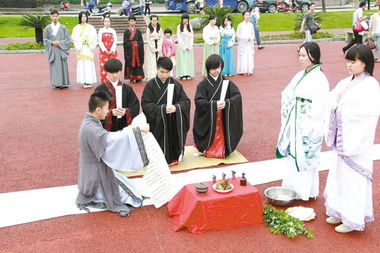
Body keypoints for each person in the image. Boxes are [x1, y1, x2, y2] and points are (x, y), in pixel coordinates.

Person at [324, 45, 380, 233]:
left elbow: (367, 113)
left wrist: (340, 110)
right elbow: (332, 98)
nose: (349, 65)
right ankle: (338, 210)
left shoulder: (371, 86)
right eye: (347, 61)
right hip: (343, 140)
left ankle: (352, 218)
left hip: (356, 143)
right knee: (338, 177)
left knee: (352, 180)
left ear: (365, 63)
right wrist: (334, 107)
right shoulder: (346, 82)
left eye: (353, 62)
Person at [76, 91, 150, 217]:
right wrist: (136, 130)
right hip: (95, 175)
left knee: (131, 188)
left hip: (93, 169)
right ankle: (96, 195)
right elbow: (111, 139)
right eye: (106, 108)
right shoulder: (91, 128)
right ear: (98, 109)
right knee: (131, 198)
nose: (108, 111)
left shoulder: (90, 121)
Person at [276, 42, 330, 201]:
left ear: (313, 56)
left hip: (307, 124)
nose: (300, 58)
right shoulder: (300, 75)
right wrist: (292, 106)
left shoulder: (320, 78)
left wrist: (303, 113)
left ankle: (304, 191)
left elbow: (321, 105)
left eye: (303, 55)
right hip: (296, 121)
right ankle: (292, 188)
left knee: (304, 156)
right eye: (299, 55)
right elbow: (286, 93)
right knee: (294, 154)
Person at [141, 57, 191, 165]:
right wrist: (162, 109)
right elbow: (146, 104)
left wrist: (176, 107)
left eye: (167, 72)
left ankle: (174, 156)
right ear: (157, 69)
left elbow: (185, 102)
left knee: (173, 142)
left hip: (173, 121)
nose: (164, 75)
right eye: (162, 72)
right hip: (157, 123)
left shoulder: (176, 85)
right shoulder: (150, 85)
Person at [193, 54, 243, 158]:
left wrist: (227, 103)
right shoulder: (203, 84)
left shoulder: (226, 82)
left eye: (219, 68)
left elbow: (237, 96)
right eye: (213, 68)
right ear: (208, 69)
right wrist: (214, 104)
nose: (216, 70)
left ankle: (223, 149)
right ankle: (208, 148)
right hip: (210, 117)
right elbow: (199, 101)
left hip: (223, 117)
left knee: (222, 135)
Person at [95, 58, 140, 131]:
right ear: (106, 72)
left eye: (117, 72)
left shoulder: (127, 89)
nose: (115, 75)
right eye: (112, 73)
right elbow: (96, 109)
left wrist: (126, 111)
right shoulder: (100, 90)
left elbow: (135, 106)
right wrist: (110, 112)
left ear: (120, 71)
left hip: (124, 124)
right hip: (106, 127)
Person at [43, 9, 70, 89]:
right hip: (53, 51)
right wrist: (51, 43)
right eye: (53, 16)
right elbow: (45, 39)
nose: (55, 18)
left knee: (62, 66)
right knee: (55, 66)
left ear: (59, 16)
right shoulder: (48, 28)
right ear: (50, 17)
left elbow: (67, 39)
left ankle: (64, 82)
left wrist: (60, 43)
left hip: (61, 50)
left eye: (56, 16)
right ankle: (56, 83)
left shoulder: (63, 28)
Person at [72, 11, 97, 88]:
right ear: (80, 18)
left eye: (85, 16)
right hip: (81, 48)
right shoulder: (76, 28)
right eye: (82, 17)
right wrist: (82, 40)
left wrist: (88, 40)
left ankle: (89, 81)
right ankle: (83, 81)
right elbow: (74, 38)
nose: (84, 18)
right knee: (82, 64)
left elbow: (94, 37)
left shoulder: (91, 27)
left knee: (88, 64)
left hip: (88, 48)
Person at [123, 14, 145, 83]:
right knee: (131, 62)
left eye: (133, 21)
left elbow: (141, 42)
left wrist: (137, 45)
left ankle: (138, 77)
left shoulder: (138, 32)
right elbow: (125, 42)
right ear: (128, 22)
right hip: (130, 51)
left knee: (138, 63)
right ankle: (131, 77)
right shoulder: (126, 32)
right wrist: (132, 45)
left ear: (135, 22)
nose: (132, 23)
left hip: (137, 51)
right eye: (131, 21)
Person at [98, 16, 117, 83]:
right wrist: (105, 50)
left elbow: (115, 41)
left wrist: (111, 50)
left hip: (112, 52)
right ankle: (104, 80)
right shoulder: (101, 30)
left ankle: (112, 80)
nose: (107, 23)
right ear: (103, 22)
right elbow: (100, 41)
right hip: (104, 52)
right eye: (105, 21)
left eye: (108, 21)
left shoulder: (113, 31)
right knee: (104, 66)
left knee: (112, 66)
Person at [176, 13, 195, 80]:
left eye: (187, 19)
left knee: (188, 60)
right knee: (182, 60)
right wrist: (184, 46)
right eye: (184, 19)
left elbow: (192, 36)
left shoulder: (190, 26)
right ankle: (182, 74)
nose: (185, 20)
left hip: (189, 46)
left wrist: (189, 45)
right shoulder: (179, 27)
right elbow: (179, 37)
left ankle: (188, 74)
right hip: (181, 47)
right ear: (182, 19)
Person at [236, 10, 255, 75]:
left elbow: (253, 33)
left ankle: (248, 70)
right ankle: (243, 70)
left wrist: (251, 38)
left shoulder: (251, 25)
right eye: (246, 15)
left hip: (249, 44)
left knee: (249, 56)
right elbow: (237, 35)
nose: (247, 16)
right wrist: (244, 38)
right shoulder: (240, 25)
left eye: (248, 15)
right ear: (243, 16)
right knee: (243, 56)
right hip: (243, 44)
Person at [145, 15, 163, 81]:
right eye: (153, 20)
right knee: (152, 61)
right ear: (151, 21)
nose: (154, 22)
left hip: (158, 44)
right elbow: (148, 39)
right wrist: (152, 48)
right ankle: (152, 75)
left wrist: (159, 47)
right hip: (151, 45)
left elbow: (161, 38)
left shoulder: (159, 28)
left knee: (158, 60)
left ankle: (159, 75)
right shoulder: (149, 28)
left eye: (156, 20)